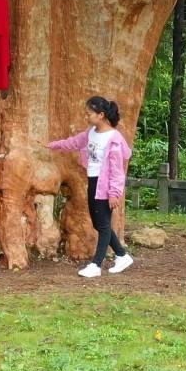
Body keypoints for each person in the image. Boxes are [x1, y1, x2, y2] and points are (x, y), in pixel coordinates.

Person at [48, 96, 133, 278]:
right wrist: (52, 146)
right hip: (93, 182)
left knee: (103, 226)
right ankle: (122, 255)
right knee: (98, 223)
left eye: (89, 113)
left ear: (101, 115)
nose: (86, 117)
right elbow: (73, 143)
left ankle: (96, 265)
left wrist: (114, 193)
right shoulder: (91, 133)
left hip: (106, 187)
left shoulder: (113, 138)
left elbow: (117, 171)